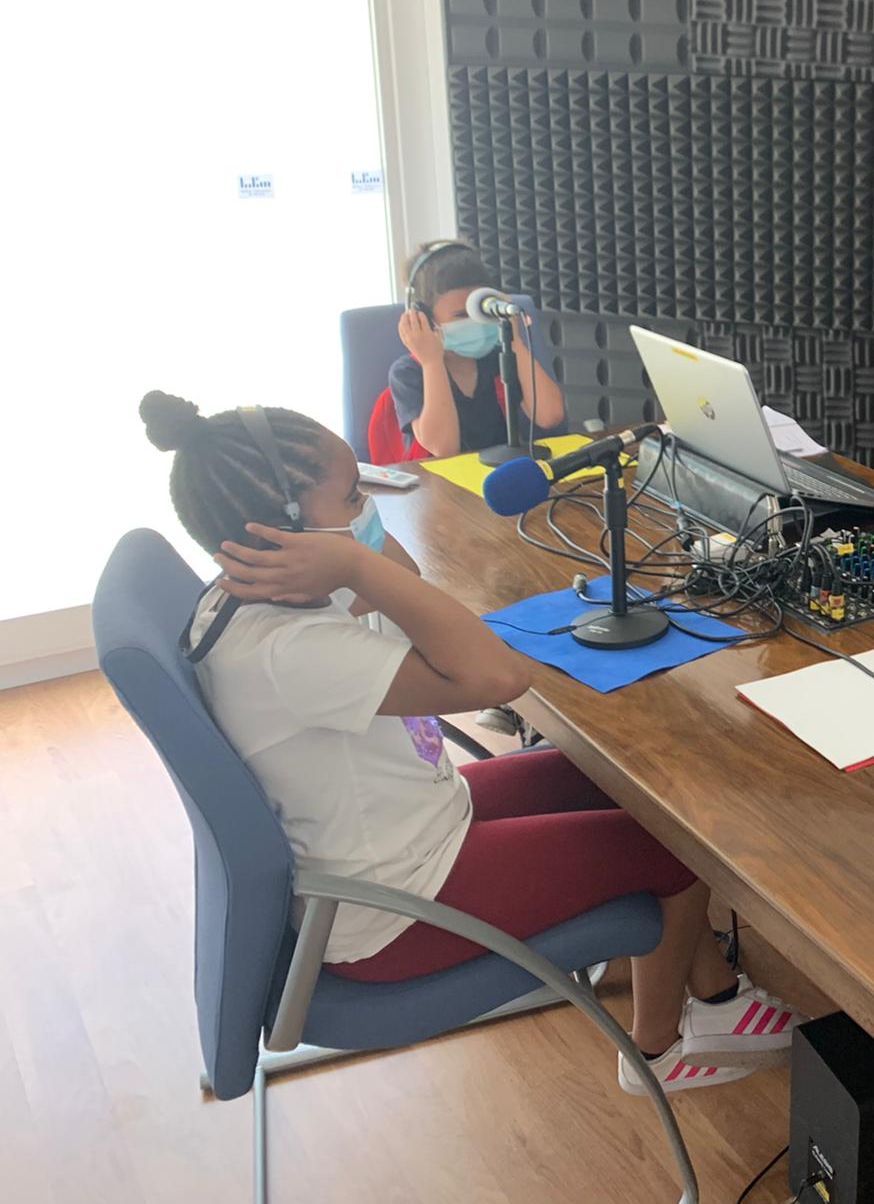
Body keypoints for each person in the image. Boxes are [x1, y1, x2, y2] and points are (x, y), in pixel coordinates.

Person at [142, 391, 796, 1094]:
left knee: (637, 785)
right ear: (287, 528)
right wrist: (356, 565)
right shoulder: (291, 650)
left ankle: (716, 997)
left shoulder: (252, 596)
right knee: (678, 844)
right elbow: (497, 677)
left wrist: (351, 554)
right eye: (352, 495)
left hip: (407, 836)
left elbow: (405, 580)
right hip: (396, 910)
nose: (367, 505)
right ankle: (658, 1051)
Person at [392, 240, 566, 458]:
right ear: (424, 318)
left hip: (504, 471)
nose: (474, 322)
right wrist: (432, 363)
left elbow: (550, 416)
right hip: (445, 479)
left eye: (479, 310)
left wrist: (515, 342)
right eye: (461, 315)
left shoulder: (501, 356)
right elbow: (444, 448)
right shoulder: (408, 373)